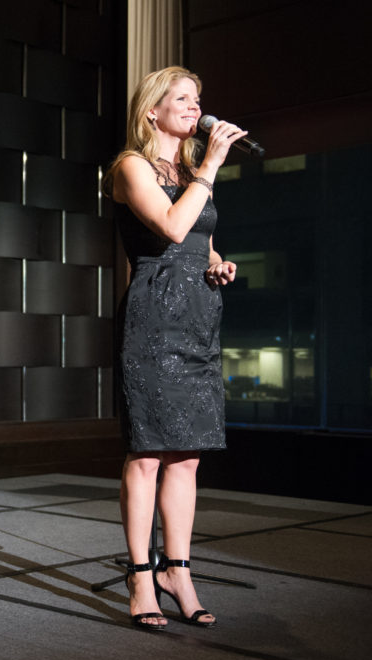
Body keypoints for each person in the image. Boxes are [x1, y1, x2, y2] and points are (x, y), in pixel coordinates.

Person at [103, 67, 245, 630]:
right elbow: (170, 227)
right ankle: (141, 575)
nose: (195, 107)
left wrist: (218, 265)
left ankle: (177, 571)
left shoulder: (188, 170)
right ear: (152, 112)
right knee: (147, 455)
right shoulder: (129, 167)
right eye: (182, 99)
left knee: (187, 455)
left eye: (199, 99)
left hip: (197, 322)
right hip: (153, 321)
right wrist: (209, 166)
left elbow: (202, 241)